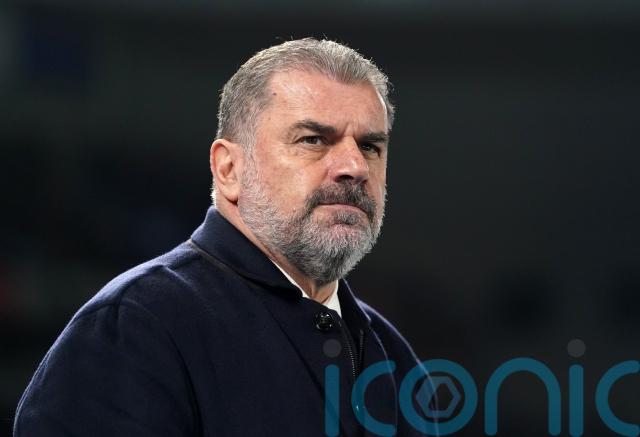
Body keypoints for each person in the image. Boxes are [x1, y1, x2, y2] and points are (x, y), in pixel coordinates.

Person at [14, 38, 437, 436]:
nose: (354, 167)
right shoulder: (135, 328)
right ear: (229, 169)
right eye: (313, 140)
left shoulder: (395, 359)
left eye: (370, 146)